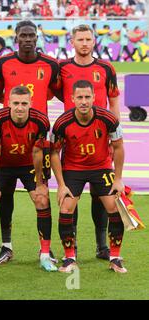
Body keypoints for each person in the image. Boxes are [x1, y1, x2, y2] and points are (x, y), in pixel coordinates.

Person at [0, 20, 60, 264]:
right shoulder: (3, 62)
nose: (27, 39)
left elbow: (60, 92)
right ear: (16, 37)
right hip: (6, 138)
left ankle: (45, 250)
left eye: (31, 35)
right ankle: (6, 246)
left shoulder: (50, 64)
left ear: (37, 38)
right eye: (23, 35)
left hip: (37, 141)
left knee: (41, 194)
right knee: (2, 196)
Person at [56, 24, 121, 261]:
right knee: (71, 196)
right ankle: (71, 249)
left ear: (94, 42)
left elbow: (113, 101)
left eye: (88, 39)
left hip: (101, 139)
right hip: (71, 140)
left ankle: (102, 245)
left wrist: (115, 136)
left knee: (100, 194)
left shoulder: (105, 67)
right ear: (72, 42)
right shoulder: (62, 68)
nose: (84, 43)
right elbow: (57, 93)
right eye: (80, 39)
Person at [51, 80, 127, 273]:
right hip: (73, 169)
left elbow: (118, 148)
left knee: (114, 207)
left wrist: (117, 179)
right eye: (79, 97)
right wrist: (61, 185)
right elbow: (53, 154)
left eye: (87, 97)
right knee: (66, 207)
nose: (83, 101)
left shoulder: (109, 118)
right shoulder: (62, 122)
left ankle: (115, 258)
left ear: (94, 98)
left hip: (101, 168)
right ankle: (69, 259)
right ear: (72, 99)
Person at [0, 85, 56, 272]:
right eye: (15, 103)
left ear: (30, 103)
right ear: (8, 103)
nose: (20, 107)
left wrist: (40, 184)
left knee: (42, 199)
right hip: (3, 165)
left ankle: (45, 255)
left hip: (29, 164)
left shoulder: (41, 121)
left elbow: (38, 152)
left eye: (24, 103)